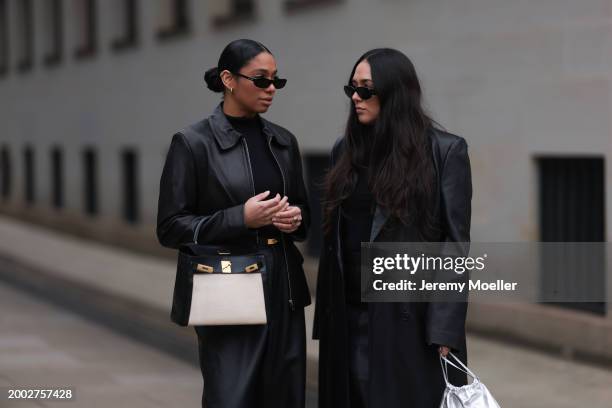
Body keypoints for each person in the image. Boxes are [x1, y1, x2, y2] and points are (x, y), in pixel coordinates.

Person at [313, 48, 472, 408]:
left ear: (396, 93)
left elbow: (455, 245)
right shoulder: (345, 151)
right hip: (348, 316)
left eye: (366, 89)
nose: (356, 97)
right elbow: (335, 238)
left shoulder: (444, 152)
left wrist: (445, 327)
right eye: (352, 88)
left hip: (409, 320)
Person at [156, 39, 311, 408]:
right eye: (261, 80)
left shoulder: (283, 141)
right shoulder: (193, 143)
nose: (271, 88)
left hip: (284, 287)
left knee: (285, 396)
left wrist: (295, 219)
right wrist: (239, 218)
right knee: (231, 396)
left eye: (276, 81)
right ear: (228, 79)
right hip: (228, 284)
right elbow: (170, 227)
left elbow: (305, 212)